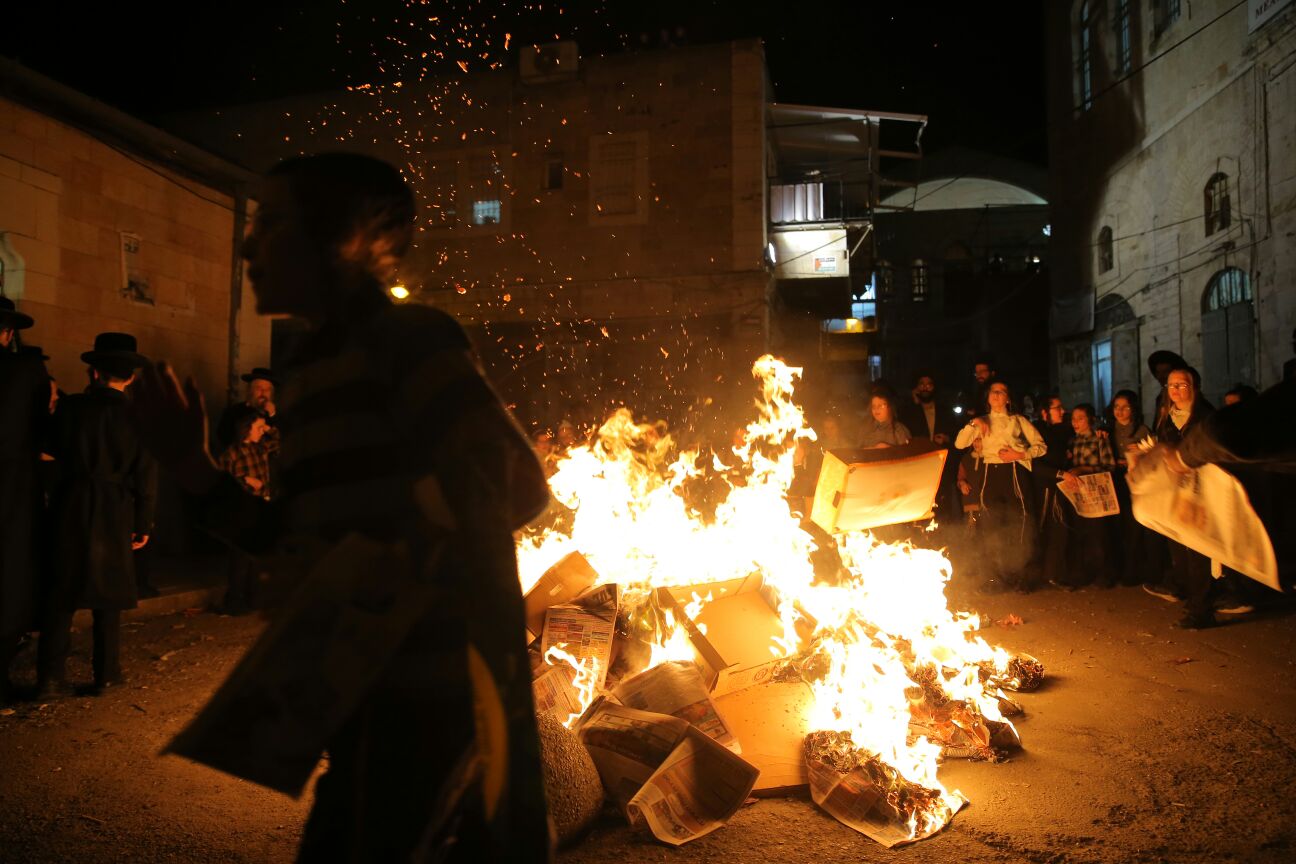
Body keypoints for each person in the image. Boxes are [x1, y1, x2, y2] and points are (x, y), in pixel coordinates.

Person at [128, 153, 552, 861]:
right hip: (359, 695)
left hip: (426, 702)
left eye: (271, 222)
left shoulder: (406, 340)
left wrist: (372, 564)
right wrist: (192, 470)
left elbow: (511, 481)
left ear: (346, 237)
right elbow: (295, 538)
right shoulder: (308, 373)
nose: (247, 244)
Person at [37, 333, 157, 697]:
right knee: (110, 591)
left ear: (93, 373)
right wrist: (143, 523)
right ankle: (106, 673)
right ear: (131, 377)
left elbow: (49, 451)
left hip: (71, 503)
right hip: (115, 509)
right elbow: (147, 478)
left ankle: (50, 678)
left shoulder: (71, 409)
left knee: (61, 590)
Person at [0, 297, 49, 704]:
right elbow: (43, 430)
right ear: (8, 332)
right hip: (12, 492)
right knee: (10, 577)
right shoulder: (26, 370)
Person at [955, 381, 1047, 592]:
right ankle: (996, 578)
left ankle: (1024, 576)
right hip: (989, 474)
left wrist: (1020, 454)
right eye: (993, 392)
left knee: (1020, 524)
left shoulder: (1018, 420)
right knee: (991, 525)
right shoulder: (980, 421)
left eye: (1001, 392)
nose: (996, 395)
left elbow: (1041, 446)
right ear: (987, 398)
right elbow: (960, 444)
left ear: (1008, 398)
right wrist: (973, 423)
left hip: (1013, 472)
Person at [1146, 366, 1217, 628]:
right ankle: (1192, 600)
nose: (1175, 390)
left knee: (1198, 551)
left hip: (1201, 492)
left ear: (1194, 387)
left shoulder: (1206, 417)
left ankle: (1202, 610)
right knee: (1179, 550)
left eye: (1181, 385)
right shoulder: (1166, 418)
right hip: (1174, 492)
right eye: (1171, 386)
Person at [1059, 404, 1117, 587]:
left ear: (1091, 419)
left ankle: (1104, 575)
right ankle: (1083, 574)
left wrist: (1084, 469)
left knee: (1099, 535)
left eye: (1080, 418)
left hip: (1096, 494)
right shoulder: (1072, 442)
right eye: (1073, 419)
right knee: (1080, 534)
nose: (1075, 422)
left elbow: (1110, 467)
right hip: (1077, 495)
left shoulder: (1099, 439)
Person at [1107, 390, 1156, 587]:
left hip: (1136, 482)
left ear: (1133, 409)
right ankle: (1119, 568)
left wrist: (1144, 450)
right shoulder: (1108, 431)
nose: (1120, 411)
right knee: (1117, 526)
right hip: (1114, 480)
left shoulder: (1143, 431)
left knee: (1134, 527)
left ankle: (1134, 570)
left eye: (1125, 407)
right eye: (1117, 407)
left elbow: (1156, 451)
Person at [1032, 395, 1074, 590]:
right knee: (1045, 529)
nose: (1063, 411)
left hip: (1061, 487)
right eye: (1058, 408)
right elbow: (1034, 464)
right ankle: (1039, 574)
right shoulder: (1038, 432)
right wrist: (1059, 473)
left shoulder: (1062, 431)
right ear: (1045, 412)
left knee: (1060, 529)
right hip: (1045, 488)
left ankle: (1054, 573)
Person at [215, 367, 279, 451]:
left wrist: (271, 415)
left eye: (267, 389)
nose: (263, 393)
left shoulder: (276, 416)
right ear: (250, 390)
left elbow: (277, 443)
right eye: (258, 388)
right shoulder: (233, 412)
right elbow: (223, 438)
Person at [1146, 349, 1186, 429]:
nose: (1161, 377)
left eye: (1165, 372)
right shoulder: (1161, 397)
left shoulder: (1181, 398)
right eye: (1158, 372)